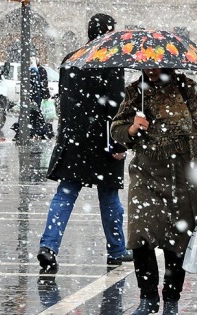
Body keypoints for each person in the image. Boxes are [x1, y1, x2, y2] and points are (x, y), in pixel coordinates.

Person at [111, 68, 197, 315]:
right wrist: (131, 128)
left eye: (156, 65)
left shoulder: (188, 89)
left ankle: (171, 299)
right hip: (145, 174)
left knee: (178, 240)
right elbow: (116, 129)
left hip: (182, 173)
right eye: (146, 66)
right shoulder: (135, 92)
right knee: (140, 236)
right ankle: (148, 298)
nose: (150, 70)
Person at [37, 13, 132, 273]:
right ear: (109, 33)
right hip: (102, 140)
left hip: (73, 139)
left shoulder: (71, 60)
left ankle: (48, 246)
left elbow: (65, 102)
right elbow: (115, 107)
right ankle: (116, 249)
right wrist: (118, 145)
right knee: (109, 197)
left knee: (65, 195)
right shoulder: (110, 63)